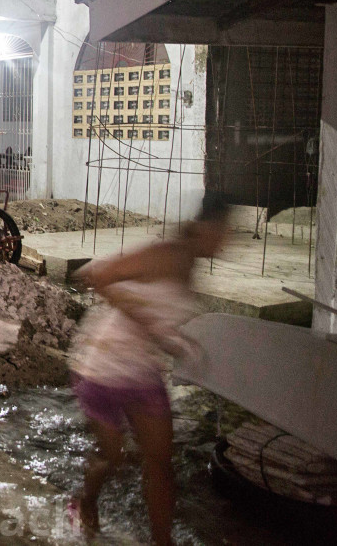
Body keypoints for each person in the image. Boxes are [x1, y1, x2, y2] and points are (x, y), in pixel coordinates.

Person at [68, 195, 230, 545]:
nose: (227, 241)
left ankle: (162, 540)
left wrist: (172, 341)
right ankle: (87, 501)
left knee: (160, 462)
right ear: (205, 228)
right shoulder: (166, 254)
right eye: (224, 232)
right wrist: (152, 326)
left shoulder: (190, 266)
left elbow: (160, 316)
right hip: (102, 365)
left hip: (142, 371)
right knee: (113, 457)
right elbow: (94, 275)